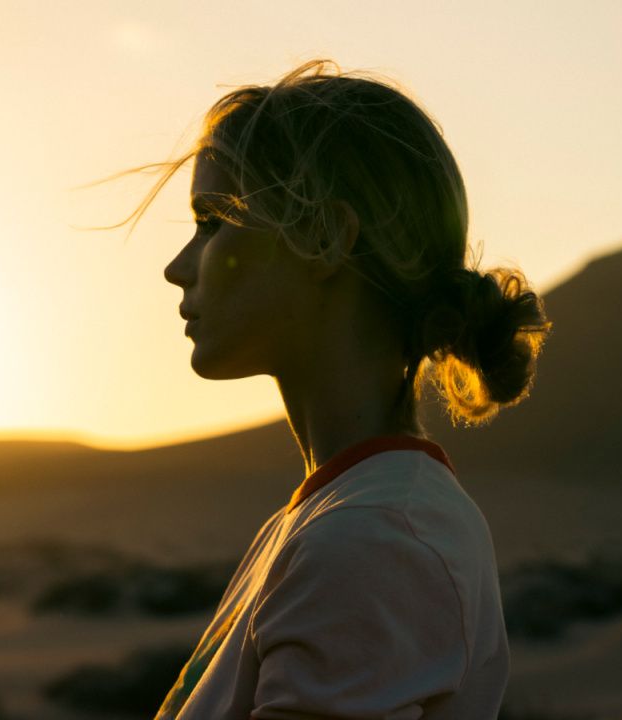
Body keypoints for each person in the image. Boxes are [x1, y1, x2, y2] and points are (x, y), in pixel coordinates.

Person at [137, 60, 552, 718]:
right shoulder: (336, 516)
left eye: (213, 222)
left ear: (325, 236)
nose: (176, 268)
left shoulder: (370, 540)